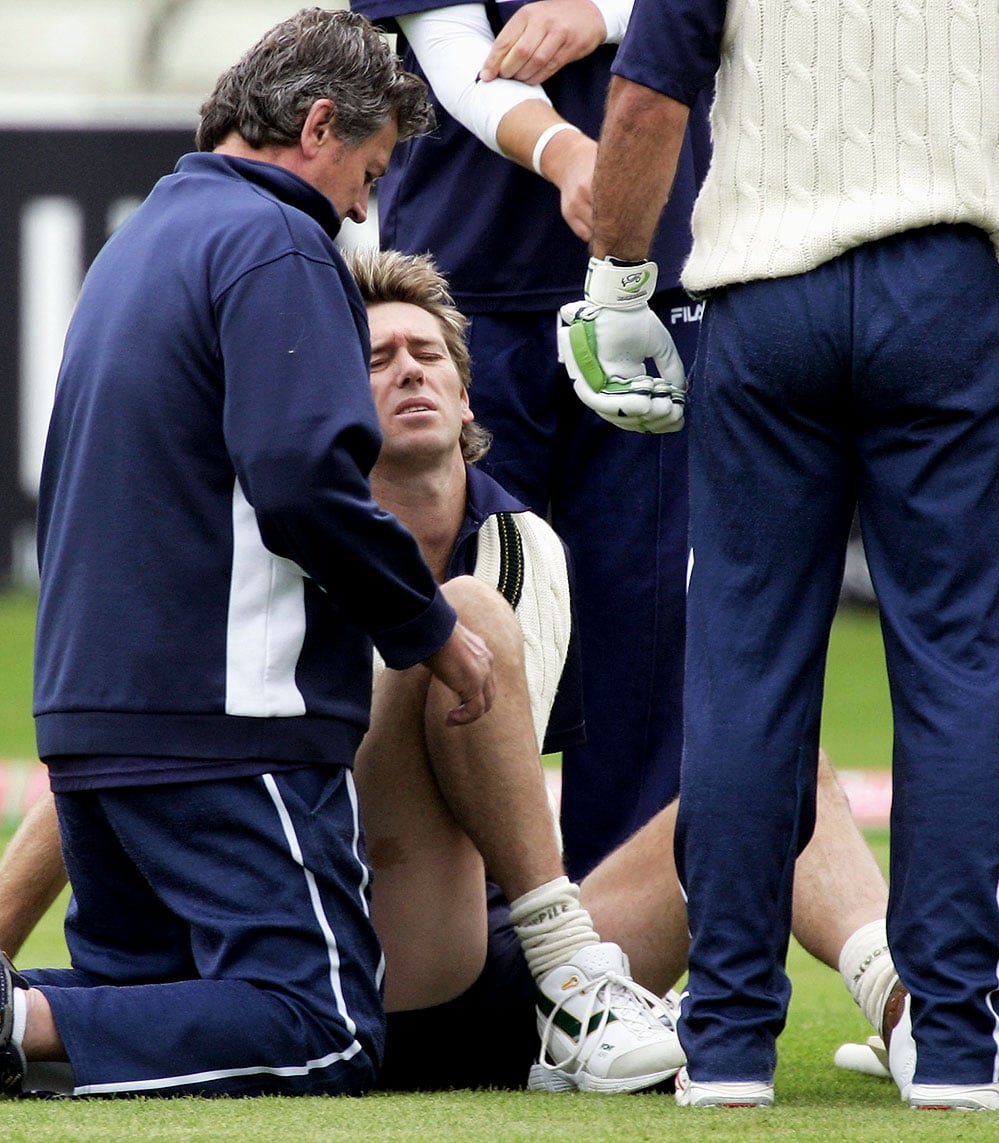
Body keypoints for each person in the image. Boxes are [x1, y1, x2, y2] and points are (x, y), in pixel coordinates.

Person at [0, 251, 906, 1101]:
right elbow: (119, 752)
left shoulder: (523, 551)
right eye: (374, 359)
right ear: (325, 400)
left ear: (471, 405)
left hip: (469, 942)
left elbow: (488, 806)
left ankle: (904, 1004)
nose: (409, 372)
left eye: (429, 356)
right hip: (329, 946)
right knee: (404, 644)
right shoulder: (280, 552)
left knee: (778, 773)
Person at [0, 8, 494, 1102]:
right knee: (321, 1027)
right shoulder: (274, 239)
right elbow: (302, 479)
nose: (366, 204)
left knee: (143, 1000)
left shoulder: (140, 244)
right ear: (317, 126)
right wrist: (429, 629)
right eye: (370, 168)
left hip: (91, 719)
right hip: (226, 722)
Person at [562, 0, 999, 1113]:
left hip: (760, 300)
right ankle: (961, 1046)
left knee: (742, 668)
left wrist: (615, 284)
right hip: (946, 301)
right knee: (959, 668)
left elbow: (643, 99)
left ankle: (727, 1049)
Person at [351, 0, 712, 878]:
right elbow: (447, 48)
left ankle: (623, 969)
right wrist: (570, 152)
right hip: (463, 286)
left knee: (646, 623)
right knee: (442, 620)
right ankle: (454, 937)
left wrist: (603, 14)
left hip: (660, 273)